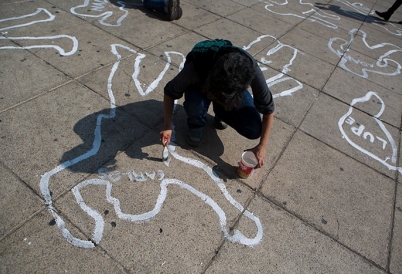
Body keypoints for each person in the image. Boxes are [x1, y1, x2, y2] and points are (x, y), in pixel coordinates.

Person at [159, 39, 275, 168]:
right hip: (203, 74)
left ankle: (221, 113)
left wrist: (262, 146)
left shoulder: (249, 68)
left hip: (222, 82)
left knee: (253, 129)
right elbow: (169, 92)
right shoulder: (197, 67)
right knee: (195, 104)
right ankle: (196, 124)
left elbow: (268, 109)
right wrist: (167, 125)